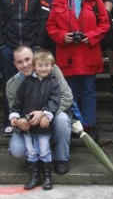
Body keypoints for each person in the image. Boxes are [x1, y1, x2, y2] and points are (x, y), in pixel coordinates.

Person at [46, 0, 110, 140]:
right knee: (69, 92)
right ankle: (74, 125)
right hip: (67, 54)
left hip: (88, 51)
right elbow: (50, 26)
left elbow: (105, 24)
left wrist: (89, 36)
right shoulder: (58, 1)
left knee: (88, 91)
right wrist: (62, 36)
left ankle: (89, 125)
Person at [0, 0, 50, 136]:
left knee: (36, 85)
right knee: (10, 84)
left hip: (33, 47)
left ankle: (33, 120)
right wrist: (0, 44)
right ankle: (10, 119)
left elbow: (44, 17)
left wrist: (39, 43)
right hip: (9, 47)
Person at [7, 46, 73, 175]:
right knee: (16, 150)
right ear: (15, 64)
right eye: (20, 62)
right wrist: (17, 122)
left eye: (28, 59)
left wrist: (44, 112)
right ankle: (33, 157)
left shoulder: (51, 70)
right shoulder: (12, 84)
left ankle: (61, 158)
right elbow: (14, 109)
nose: (25, 65)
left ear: (34, 58)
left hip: (50, 116)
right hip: (29, 122)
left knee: (62, 119)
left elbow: (67, 97)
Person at [9, 50, 60, 190]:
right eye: (40, 65)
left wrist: (46, 114)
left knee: (44, 149)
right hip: (28, 126)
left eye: (47, 65)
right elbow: (17, 102)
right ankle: (34, 176)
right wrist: (16, 118)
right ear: (34, 66)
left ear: (52, 66)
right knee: (31, 151)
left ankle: (47, 177)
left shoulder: (53, 83)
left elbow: (55, 100)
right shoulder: (26, 83)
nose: (44, 68)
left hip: (43, 125)